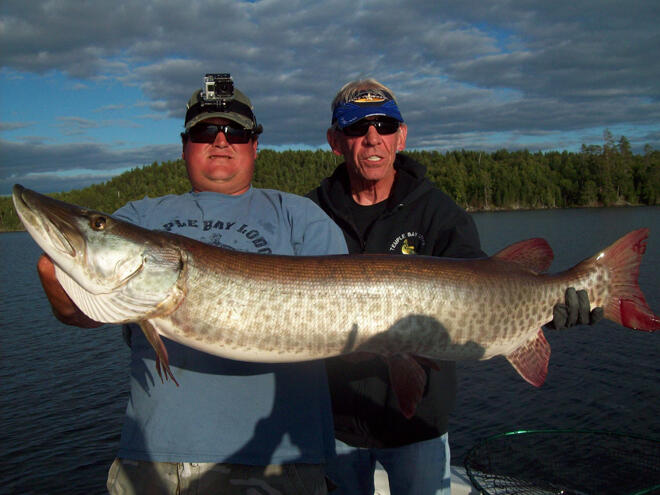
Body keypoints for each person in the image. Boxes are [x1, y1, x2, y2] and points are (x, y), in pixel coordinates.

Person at [37, 73, 347, 495]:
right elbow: (82, 314)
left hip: (280, 458)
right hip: (157, 456)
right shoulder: (139, 216)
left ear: (255, 146)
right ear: (184, 147)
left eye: (235, 132)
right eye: (205, 131)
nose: (221, 141)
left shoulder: (299, 216)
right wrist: (59, 279)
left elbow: (347, 314)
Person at [307, 79, 601, 494]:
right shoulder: (308, 214)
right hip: (332, 424)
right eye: (356, 128)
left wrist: (548, 310)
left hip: (419, 426)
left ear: (401, 136)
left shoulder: (440, 213)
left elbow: (484, 289)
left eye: (385, 125)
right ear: (335, 140)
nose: (372, 139)